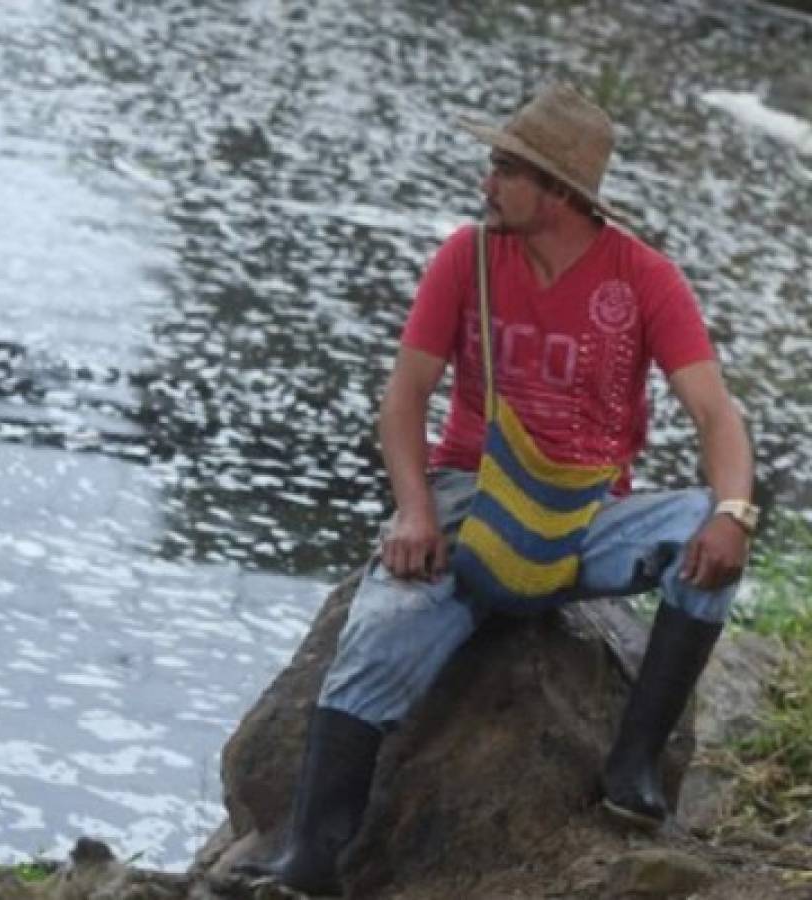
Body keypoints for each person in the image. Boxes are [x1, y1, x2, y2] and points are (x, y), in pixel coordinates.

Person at [239, 82, 757, 895]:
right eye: (493, 165)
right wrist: (413, 511)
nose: (487, 184)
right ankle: (313, 854)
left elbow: (715, 415)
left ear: (559, 190)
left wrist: (732, 513)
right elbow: (404, 399)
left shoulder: (647, 280)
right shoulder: (467, 256)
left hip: (587, 514)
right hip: (468, 496)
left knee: (705, 537)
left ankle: (633, 765)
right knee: (384, 622)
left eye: (504, 170)